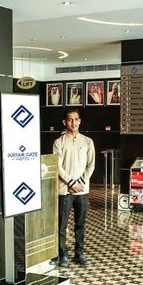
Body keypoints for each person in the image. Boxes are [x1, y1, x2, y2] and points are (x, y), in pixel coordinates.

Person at [51, 109, 95, 268]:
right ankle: (62, 254)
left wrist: (79, 183)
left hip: (82, 190)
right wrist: (71, 183)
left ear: (80, 121)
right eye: (70, 119)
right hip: (65, 190)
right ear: (65, 122)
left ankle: (79, 253)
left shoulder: (87, 142)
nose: (73, 122)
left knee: (80, 224)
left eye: (76, 119)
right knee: (61, 224)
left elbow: (91, 165)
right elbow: (57, 166)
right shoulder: (59, 142)